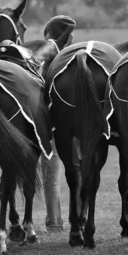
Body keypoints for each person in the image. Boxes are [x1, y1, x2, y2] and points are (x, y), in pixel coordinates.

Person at [41, 15, 76, 232]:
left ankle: (54, 222)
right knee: (78, 171)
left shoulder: (40, 58)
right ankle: (78, 218)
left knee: (50, 176)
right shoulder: (72, 58)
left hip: (47, 126)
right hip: (72, 124)